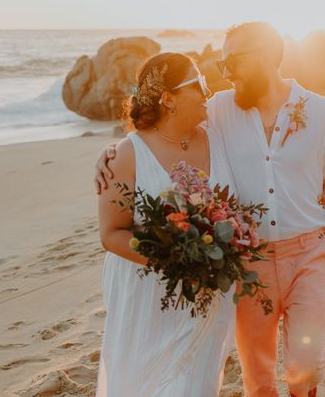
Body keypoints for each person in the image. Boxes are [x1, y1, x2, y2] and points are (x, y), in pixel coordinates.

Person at [95, 22, 325, 397]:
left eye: (231, 60)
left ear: (265, 57)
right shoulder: (217, 110)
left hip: (309, 254)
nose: (225, 71)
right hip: (247, 262)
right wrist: (109, 153)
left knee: (307, 363)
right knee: (258, 374)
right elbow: (163, 131)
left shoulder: (321, 111)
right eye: (221, 62)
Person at [95, 52, 236, 396]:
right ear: (169, 99)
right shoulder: (127, 155)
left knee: (196, 384)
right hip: (148, 294)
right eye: (198, 84)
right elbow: (112, 234)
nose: (207, 92)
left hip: (209, 291)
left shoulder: (216, 135)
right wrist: (175, 263)